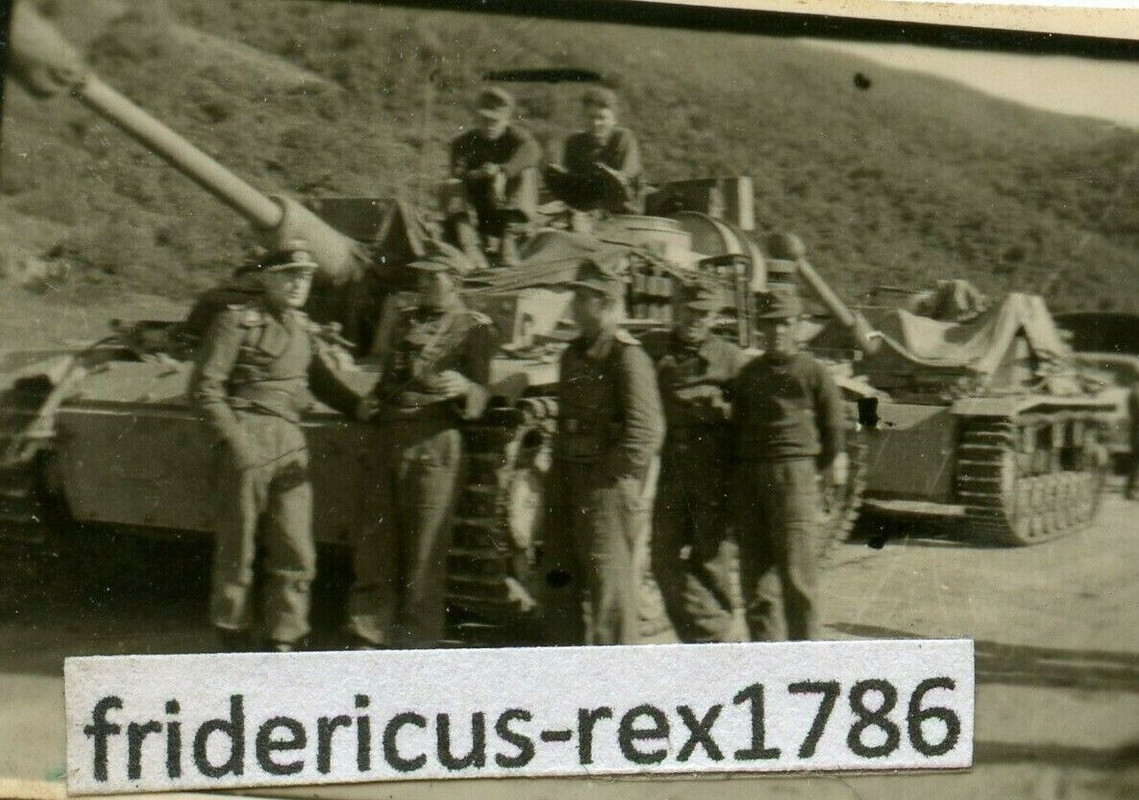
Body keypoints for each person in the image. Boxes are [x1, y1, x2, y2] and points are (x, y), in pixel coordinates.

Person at [188, 241, 362, 652]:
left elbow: (319, 380)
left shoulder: (302, 328)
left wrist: (360, 405)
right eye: (289, 275)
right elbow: (205, 387)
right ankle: (232, 630)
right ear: (267, 277)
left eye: (304, 277)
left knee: (295, 546)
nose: (298, 284)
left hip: (290, 440)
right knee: (239, 543)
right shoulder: (237, 322)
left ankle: (287, 631)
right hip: (248, 431)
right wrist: (234, 440)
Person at [347, 248, 497, 649]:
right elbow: (386, 379)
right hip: (390, 436)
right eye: (421, 277)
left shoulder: (473, 328)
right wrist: (369, 401)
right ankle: (370, 630)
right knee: (375, 542)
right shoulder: (406, 321)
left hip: (434, 441)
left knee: (424, 549)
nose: (424, 285)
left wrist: (466, 387)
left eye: (434, 278)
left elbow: (482, 390)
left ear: (455, 279)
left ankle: (417, 640)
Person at [545, 259, 665, 645]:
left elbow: (646, 433)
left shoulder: (627, 358)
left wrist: (605, 474)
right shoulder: (572, 355)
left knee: (609, 592)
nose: (574, 306)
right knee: (558, 582)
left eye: (581, 298)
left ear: (603, 302)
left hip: (604, 489)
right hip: (565, 478)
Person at [730, 284, 845, 642]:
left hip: (795, 476)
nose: (776, 331)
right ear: (760, 328)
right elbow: (738, 425)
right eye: (769, 323)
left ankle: (804, 667)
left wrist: (815, 469)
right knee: (756, 579)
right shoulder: (748, 375)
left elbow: (833, 430)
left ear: (797, 325)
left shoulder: (814, 373)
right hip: (752, 476)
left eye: (784, 322)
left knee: (797, 576)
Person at [641, 280, 748, 643]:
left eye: (704, 314)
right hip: (671, 470)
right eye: (688, 312)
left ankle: (714, 641)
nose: (695, 320)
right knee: (660, 558)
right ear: (675, 309)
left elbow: (750, 416)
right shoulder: (652, 349)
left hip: (712, 474)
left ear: (716, 316)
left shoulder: (730, 359)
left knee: (711, 562)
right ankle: (710, 635)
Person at [447, 87, 541, 267]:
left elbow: (534, 150)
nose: (489, 125)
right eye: (484, 119)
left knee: (528, 172)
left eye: (495, 120)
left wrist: (503, 173)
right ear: (477, 117)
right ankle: (471, 247)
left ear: (506, 119)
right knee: (451, 184)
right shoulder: (464, 143)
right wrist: (481, 175)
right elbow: (456, 175)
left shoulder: (514, 136)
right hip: (478, 214)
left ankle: (509, 243)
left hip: (509, 214)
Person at [545, 87, 643, 220]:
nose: (596, 123)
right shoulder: (574, 142)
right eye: (591, 117)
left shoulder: (623, 139)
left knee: (612, 179)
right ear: (584, 117)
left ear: (614, 120)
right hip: (584, 209)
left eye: (602, 118)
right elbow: (572, 181)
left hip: (621, 210)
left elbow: (625, 178)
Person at [1127, 369, 1139, 501]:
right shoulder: (1136, 392)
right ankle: (1132, 490)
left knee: (1135, 461)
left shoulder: (1134, 390)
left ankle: (1131, 489)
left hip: (1135, 429)